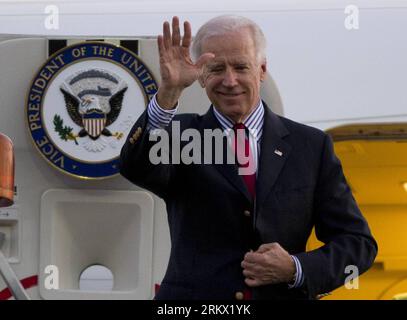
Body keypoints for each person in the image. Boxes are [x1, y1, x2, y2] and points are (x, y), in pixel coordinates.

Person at [120, 15, 377, 300]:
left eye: (241, 67)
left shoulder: (311, 147)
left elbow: (358, 244)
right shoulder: (180, 135)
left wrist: (296, 268)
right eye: (216, 68)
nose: (230, 81)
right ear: (202, 76)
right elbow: (136, 167)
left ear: (262, 69)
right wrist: (168, 93)